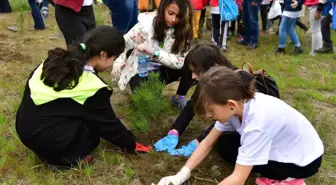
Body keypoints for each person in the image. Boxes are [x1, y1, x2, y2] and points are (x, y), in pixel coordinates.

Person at [153, 66, 324, 185]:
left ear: (230, 105)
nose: (210, 117)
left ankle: (290, 180)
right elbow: (207, 143)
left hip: (304, 161)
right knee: (226, 146)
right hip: (286, 143)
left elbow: (238, 179)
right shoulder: (238, 105)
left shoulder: (257, 122)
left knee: (242, 157)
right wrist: (181, 174)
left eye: (212, 112)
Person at [16, 26, 150, 168]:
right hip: (47, 140)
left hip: (24, 127)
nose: (112, 64)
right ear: (103, 54)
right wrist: (133, 145)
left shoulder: (56, 58)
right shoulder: (92, 87)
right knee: (91, 135)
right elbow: (109, 127)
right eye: (114, 58)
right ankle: (64, 160)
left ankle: (52, 147)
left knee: (83, 116)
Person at [154, 44, 236, 157]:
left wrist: (197, 143)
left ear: (210, 67)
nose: (193, 76)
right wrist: (175, 131)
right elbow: (192, 105)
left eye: (196, 71)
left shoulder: (233, 86)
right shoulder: (210, 78)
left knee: (226, 147)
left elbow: (225, 122)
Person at [111, 0, 194, 109]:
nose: (173, 19)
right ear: (163, 8)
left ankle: (179, 97)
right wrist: (118, 62)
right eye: (170, 13)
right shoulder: (146, 25)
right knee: (144, 103)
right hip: (141, 69)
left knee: (193, 63)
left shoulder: (182, 30)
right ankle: (152, 90)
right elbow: (123, 43)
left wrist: (154, 52)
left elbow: (179, 62)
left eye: (178, 16)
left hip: (167, 68)